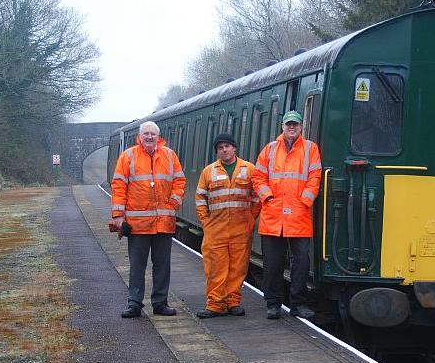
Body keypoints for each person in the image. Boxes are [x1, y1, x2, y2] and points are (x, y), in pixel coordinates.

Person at [111, 121, 187, 318]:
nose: (149, 137)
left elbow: (180, 180)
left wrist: (173, 203)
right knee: (137, 265)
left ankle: (160, 303)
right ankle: (134, 303)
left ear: (158, 136)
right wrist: (118, 216)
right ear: (140, 136)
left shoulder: (170, 156)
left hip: (164, 222)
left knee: (162, 265)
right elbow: (119, 185)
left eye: (153, 134)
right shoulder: (128, 156)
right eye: (146, 134)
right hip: (138, 225)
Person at [252, 110, 322, 320]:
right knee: (273, 262)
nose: (292, 128)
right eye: (288, 124)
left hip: (299, 215)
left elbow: (315, 177)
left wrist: (305, 201)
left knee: (301, 262)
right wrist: (268, 198)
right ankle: (273, 304)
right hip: (274, 216)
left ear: (301, 127)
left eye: (295, 125)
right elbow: (258, 177)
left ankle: (297, 304)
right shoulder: (270, 149)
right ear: (282, 126)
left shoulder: (311, 149)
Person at [195, 133, 261, 318]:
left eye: (227, 146)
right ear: (217, 151)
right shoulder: (208, 171)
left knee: (237, 268)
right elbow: (200, 198)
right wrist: (206, 222)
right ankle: (215, 304)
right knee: (215, 267)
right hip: (215, 229)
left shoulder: (249, 169)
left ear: (234, 148)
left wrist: (250, 219)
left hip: (241, 229)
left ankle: (233, 302)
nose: (224, 150)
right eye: (220, 147)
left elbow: (257, 197)